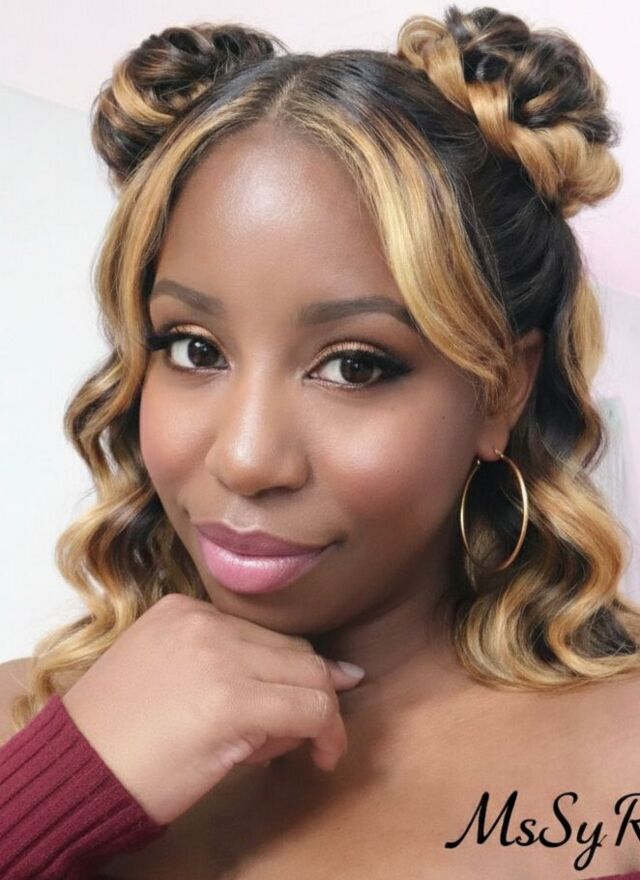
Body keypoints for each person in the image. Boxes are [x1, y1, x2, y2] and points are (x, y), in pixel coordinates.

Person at [1, 5, 640, 879]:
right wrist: (59, 789)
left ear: (502, 390)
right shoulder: (26, 722)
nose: (246, 458)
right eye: (194, 349)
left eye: (354, 366)